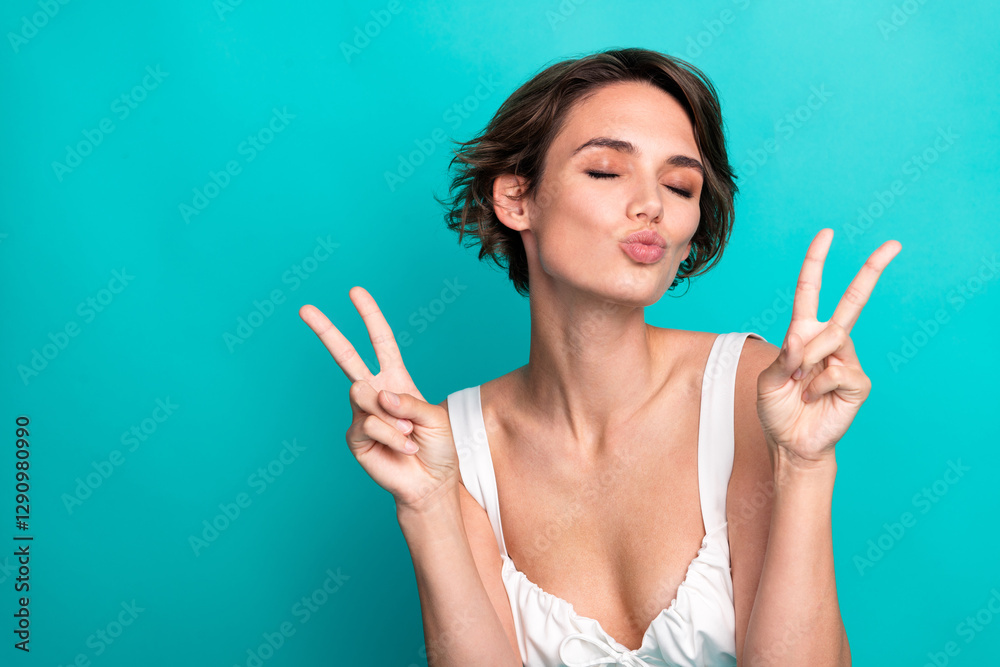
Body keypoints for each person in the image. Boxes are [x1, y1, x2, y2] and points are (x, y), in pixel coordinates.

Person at [299, 47, 900, 667]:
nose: (652, 205)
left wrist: (805, 467)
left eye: (679, 184)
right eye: (607, 171)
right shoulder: (450, 446)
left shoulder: (757, 391)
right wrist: (426, 507)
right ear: (516, 199)